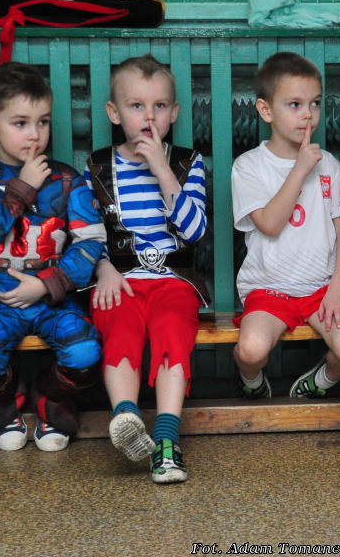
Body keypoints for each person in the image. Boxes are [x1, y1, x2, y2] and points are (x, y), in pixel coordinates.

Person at [0, 62, 106, 453]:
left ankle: (50, 398)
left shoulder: (67, 179)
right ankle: (6, 402)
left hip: (55, 301)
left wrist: (45, 284)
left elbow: (90, 242)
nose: (34, 134)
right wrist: (21, 189)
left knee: (86, 354)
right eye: (20, 123)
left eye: (43, 122)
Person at [86, 54, 209, 484]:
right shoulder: (97, 167)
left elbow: (193, 230)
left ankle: (167, 441)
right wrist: (103, 268)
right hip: (117, 279)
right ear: (114, 113)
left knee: (172, 330)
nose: (149, 117)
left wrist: (160, 167)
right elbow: (85, 232)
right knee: (120, 326)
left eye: (159, 106)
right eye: (136, 106)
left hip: (174, 281)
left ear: (174, 113)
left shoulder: (187, 163)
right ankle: (126, 417)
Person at [231, 52, 340, 402]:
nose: (308, 114)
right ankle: (251, 379)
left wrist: (338, 289)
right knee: (251, 350)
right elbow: (270, 224)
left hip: (322, 289)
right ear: (266, 110)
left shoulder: (330, 165)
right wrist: (300, 169)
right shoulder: (249, 166)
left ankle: (320, 380)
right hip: (269, 288)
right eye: (295, 104)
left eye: (315, 103)